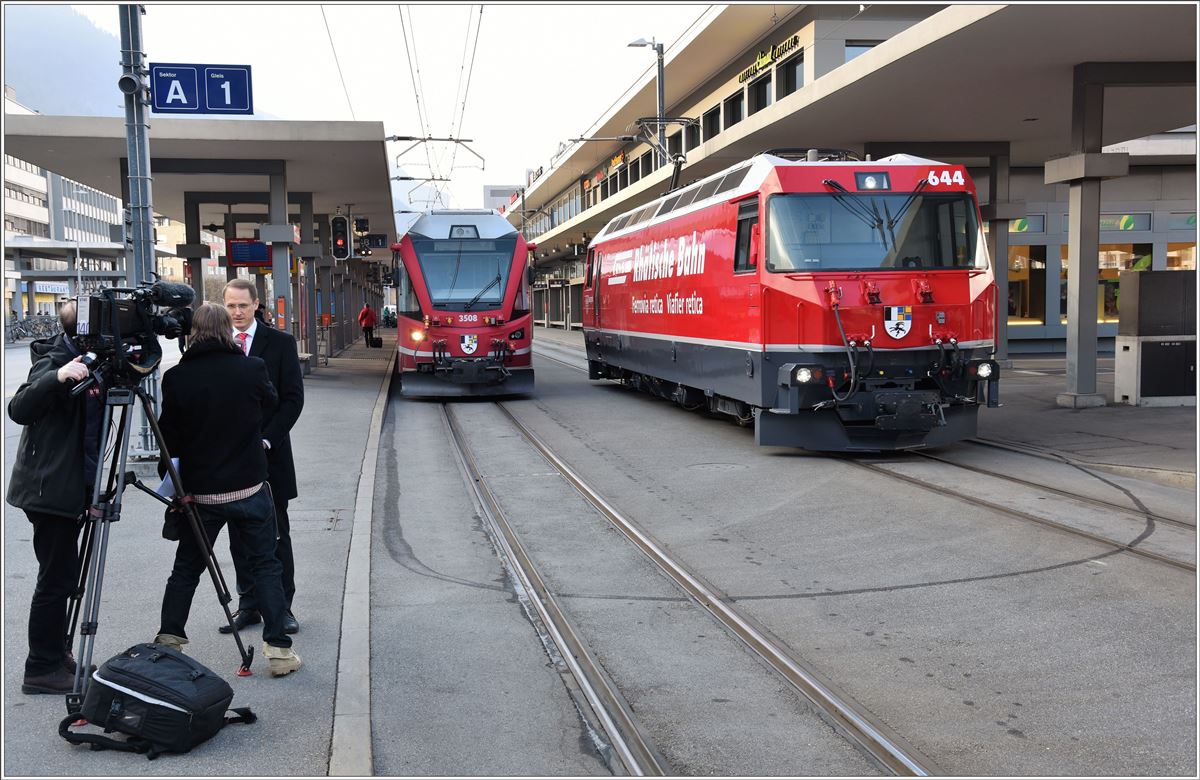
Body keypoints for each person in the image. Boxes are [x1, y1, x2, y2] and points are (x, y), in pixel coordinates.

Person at [154, 303, 301, 677]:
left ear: (192, 333)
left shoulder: (176, 378)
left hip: (200, 495)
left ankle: (170, 640)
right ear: (226, 331)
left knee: (186, 569)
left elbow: (167, 439)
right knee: (266, 564)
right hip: (249, 489)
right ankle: (279, 651)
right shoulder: (251, 369)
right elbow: (270, 400)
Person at [7, 301, 101, 694]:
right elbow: (19, 407)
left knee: (64, 574)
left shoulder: (89, 358)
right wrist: (60, 375)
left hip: (67, 487)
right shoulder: (54, 359)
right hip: (49, 491)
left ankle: (56, 652)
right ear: (80, 332)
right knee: (56, 578)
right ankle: (41, 667)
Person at [220, 278, 304, 636]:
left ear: (256, 304)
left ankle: (282, 608)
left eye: (242, 305)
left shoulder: (281, 343)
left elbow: (293, 399)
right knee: (238, 535)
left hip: (271, 457)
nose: (237, 313)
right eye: (230, 306)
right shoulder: (217, 344)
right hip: (230, 460)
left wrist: (268, 439)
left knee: (276, 534)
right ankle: (249, 604)